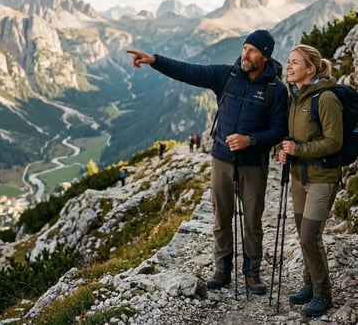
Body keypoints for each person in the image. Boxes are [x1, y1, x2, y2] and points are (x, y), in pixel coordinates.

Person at [127, 29, 288, 294]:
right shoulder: (227, 75)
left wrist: (251, 141)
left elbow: (279, 130)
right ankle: (222, 269)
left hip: (253, 164)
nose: (245, 54)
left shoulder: (276, 89)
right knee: (221, 217)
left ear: (265, 56)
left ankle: (252, 274)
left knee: (252, 222)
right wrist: (154, 60)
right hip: (221, 159)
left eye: (252, 51)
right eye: (244, 48)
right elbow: (189, 71)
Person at [278, 44, 343, 317]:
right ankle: (309, 284)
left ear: (311, 68)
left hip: (322, 178)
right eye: (289, 61)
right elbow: (295, 138)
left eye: (295, 62)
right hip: (298, 177)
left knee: (309, 235)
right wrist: (285, 151)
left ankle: (322, 293)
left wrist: (299, 151)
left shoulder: (325, 98)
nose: (289, 66)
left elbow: (335, 141)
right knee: (304, 236)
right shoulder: (295, 97)